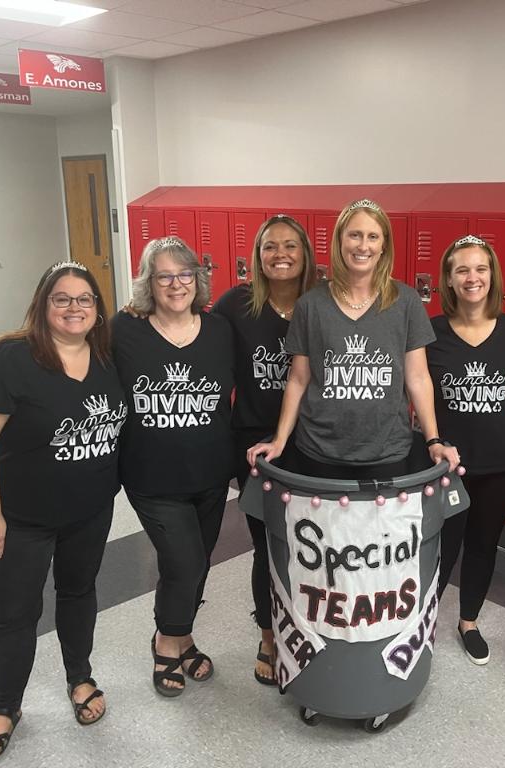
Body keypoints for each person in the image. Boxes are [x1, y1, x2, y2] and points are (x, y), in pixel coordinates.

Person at [0, 261, 125, 761]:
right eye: (62, 298)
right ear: (43, 305)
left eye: (85, 300)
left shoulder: (106, 357)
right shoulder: (10, 362)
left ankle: (80, 678)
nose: (74, 308)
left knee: (78, 594)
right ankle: (5, 706)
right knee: (16, 613)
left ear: (98, 311)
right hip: (22, 519)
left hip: (90, 510)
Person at [247, 198, 459, 479]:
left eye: (373, 237)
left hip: (387, 451)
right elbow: (298, 379)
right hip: (319, 450)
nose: (363, 246)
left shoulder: (406, 302)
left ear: (383, 246)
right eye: (355, 235)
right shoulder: (311, 305)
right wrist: (280, 439)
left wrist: (433, 440)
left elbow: (418, 377)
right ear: (340, 241)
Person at [112, 236, 234, 697]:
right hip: (151, 477)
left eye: (186, 274)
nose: (177, 284)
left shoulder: (219, 329)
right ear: (149, 282)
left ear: (198, 279)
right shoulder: (124, 331)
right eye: (164, 275)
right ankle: (166, 642)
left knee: (197, 562)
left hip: (210, 473)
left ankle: (183, 637)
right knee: (182, 562)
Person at [211, 214, 316, 686]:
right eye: (270, 246)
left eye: (290, 246)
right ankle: (268, 634)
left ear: (305, 253)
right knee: (265, 544)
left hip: (314, 442)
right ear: (257, 255)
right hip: (253, 442)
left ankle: (312, 623)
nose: (280, 255)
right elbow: (192, 338)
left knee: (310, 544)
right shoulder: (236, 305)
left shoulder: (322, 302)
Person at [427, 235, 505, 665]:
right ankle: (423, 618)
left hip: (502, 463)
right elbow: (412, 389)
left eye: (481, 269)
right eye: (463, 270)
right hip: (447, 466)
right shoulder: (430, 332)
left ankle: (468, 621)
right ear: (449, 280)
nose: (473, 277)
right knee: (441, 544)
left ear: (493, 276)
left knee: (484, 544)